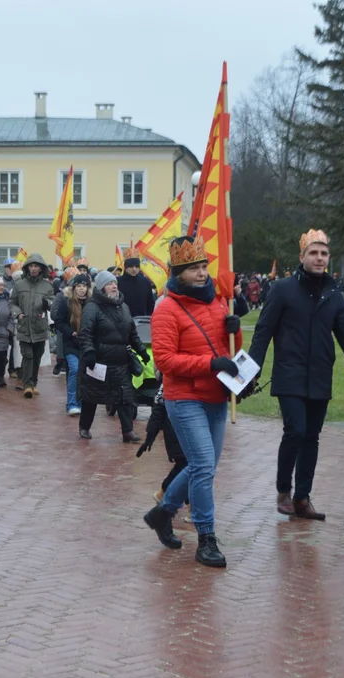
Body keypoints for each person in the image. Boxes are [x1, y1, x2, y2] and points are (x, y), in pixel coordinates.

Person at [246, 229, 344, 520]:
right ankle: (284, 490)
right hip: (289, 373)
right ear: (302, 256)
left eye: (324, 253)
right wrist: (251, 370)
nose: (319, 258)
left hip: (319, 374)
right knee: (296, 431)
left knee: (312, 436)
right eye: (313, 253)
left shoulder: (334, 294)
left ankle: (303, 498)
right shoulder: (282, 289)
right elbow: (263, 331)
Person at [141, 236, 241, 568]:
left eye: (203, 267)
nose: (201, 274)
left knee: (205, 466)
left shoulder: (217, 303)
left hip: (215, 396)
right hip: (184, 398)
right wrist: (210, 365)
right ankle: (206, 537)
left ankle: (163, 512)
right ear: (178, 273)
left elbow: (226, 351)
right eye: (193, 269)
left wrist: (235, 331)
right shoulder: (167, 308)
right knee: (201, 466)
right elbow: (166, 361)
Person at [77, 270, 149, 442]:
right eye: (109, 283)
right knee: (91, 397)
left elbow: (132, 333)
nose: (114, 286)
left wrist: (142, 352)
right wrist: (89, 353)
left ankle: (127, 432)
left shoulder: (124, 307)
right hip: (99, 362)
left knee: (124, 397)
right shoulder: (92, 308)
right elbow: (85, 333)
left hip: (120, 362)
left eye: (114, 283)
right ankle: (84, 427)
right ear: (102, 288)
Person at [10, 253, 55, 398]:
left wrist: (47, 303)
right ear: (27, 267)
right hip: (24, 326)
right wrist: (18, 314)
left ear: (41, 268)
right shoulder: (19, 285)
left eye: (36, 266)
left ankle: (33, 383)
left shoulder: (47, 286)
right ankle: (27, 385)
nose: (34, 269)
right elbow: (12, 303)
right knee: (27, 355)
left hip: (39, 327)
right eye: (31, 266)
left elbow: (52, 305)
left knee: (37, 356)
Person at [138, 383, 188, 504]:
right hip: (174, 430)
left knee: (189, 466)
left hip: (191, 428)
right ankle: (167, 494)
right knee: (187, 465)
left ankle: (165, 494)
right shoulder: (167, 383)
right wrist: (150, 435)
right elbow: (158, 409)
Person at [52, 273, 92, 415]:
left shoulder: (91, 303)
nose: (81, 289)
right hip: (71, 344)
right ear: (74, 287)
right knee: (75, 370)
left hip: (87, 344)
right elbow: (59, 321)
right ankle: (72, 404)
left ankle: (82, 402)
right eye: (79, 286)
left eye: (84, 286)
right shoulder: (66, 302)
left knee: (85, 374)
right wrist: (71, 332)